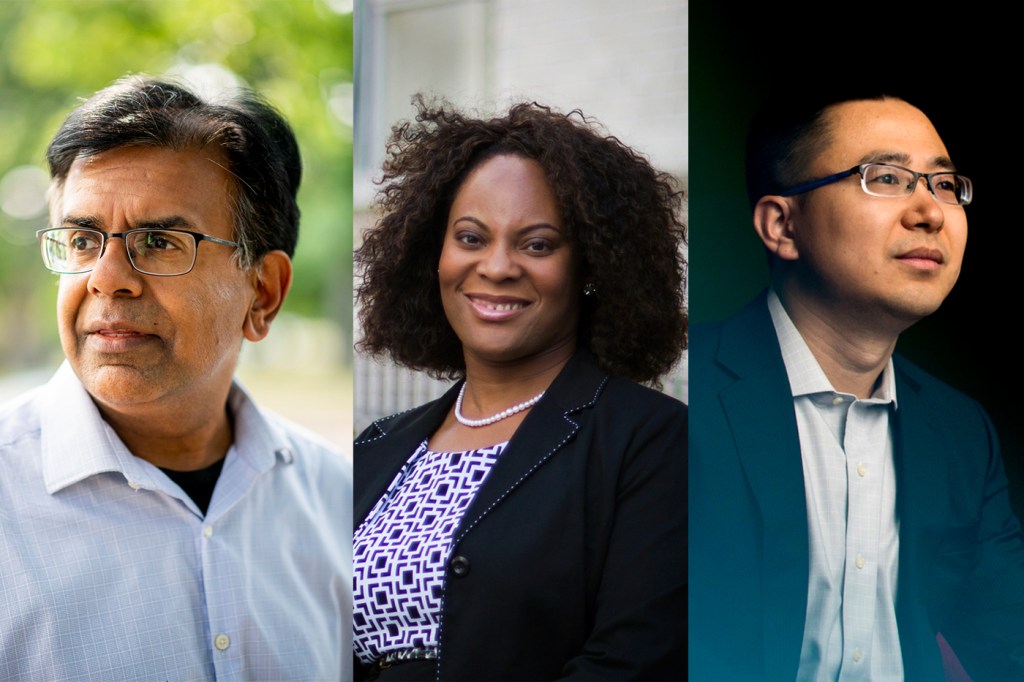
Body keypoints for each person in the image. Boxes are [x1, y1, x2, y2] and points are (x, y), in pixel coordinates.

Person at [0, 76, 351, 680]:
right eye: (83, 240)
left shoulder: (341, 501)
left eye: (159, 241)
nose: (108, 278)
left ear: (263, 293)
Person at [689, 90, 1024, 680]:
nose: (931, 212)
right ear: (781, 225)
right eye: (887, 177)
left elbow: (1007, 641)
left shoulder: (959, 429)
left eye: (944, 185)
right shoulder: (678, 392)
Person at [353, 97, 687, 681]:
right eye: (471, 238)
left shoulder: (651, 441)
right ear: (433, 255)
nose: (498, 266)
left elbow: (634, 662)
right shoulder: (377, 447)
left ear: (591, 269)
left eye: (537, 244)